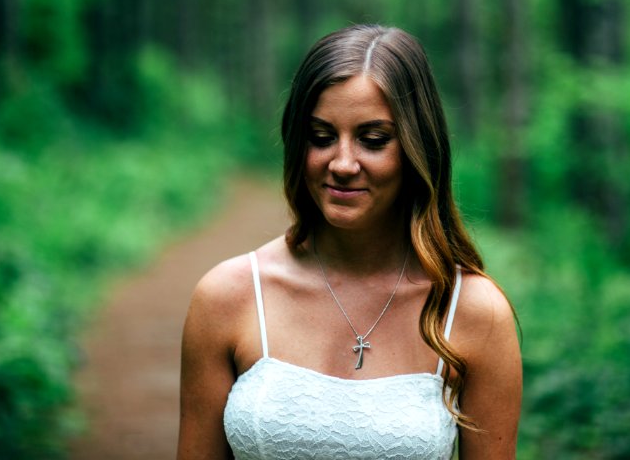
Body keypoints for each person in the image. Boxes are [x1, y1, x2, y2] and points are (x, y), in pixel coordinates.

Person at [177, 24, 522, 459]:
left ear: (419, 148)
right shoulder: (229, 297)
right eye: (321, 137)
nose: (341, 163)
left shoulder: (474, 313)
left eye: (372, 140)